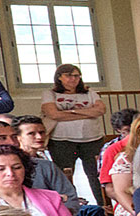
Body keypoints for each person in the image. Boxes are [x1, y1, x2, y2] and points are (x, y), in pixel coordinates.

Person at [15, 116, 114, 216]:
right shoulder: (14, 165)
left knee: (94, 212)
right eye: (31, 134)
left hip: (62, 212)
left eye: (42, 132)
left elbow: (69, 194)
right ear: (18, 137)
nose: (39, 137)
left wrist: (64, 210)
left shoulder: (46, 160)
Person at [41, 62, 108, 199]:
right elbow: (53, 114)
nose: (74, 79)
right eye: (69, 75)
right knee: (65, 175)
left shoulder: (90, 93)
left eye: (77, 76)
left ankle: (103, 205)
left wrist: (69, 112)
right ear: (59, 77)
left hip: (92, 139)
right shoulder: (50, 94)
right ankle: (72, 206)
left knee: (95, 174)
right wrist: (87, 112)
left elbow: (100, 110)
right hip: (62, 141)